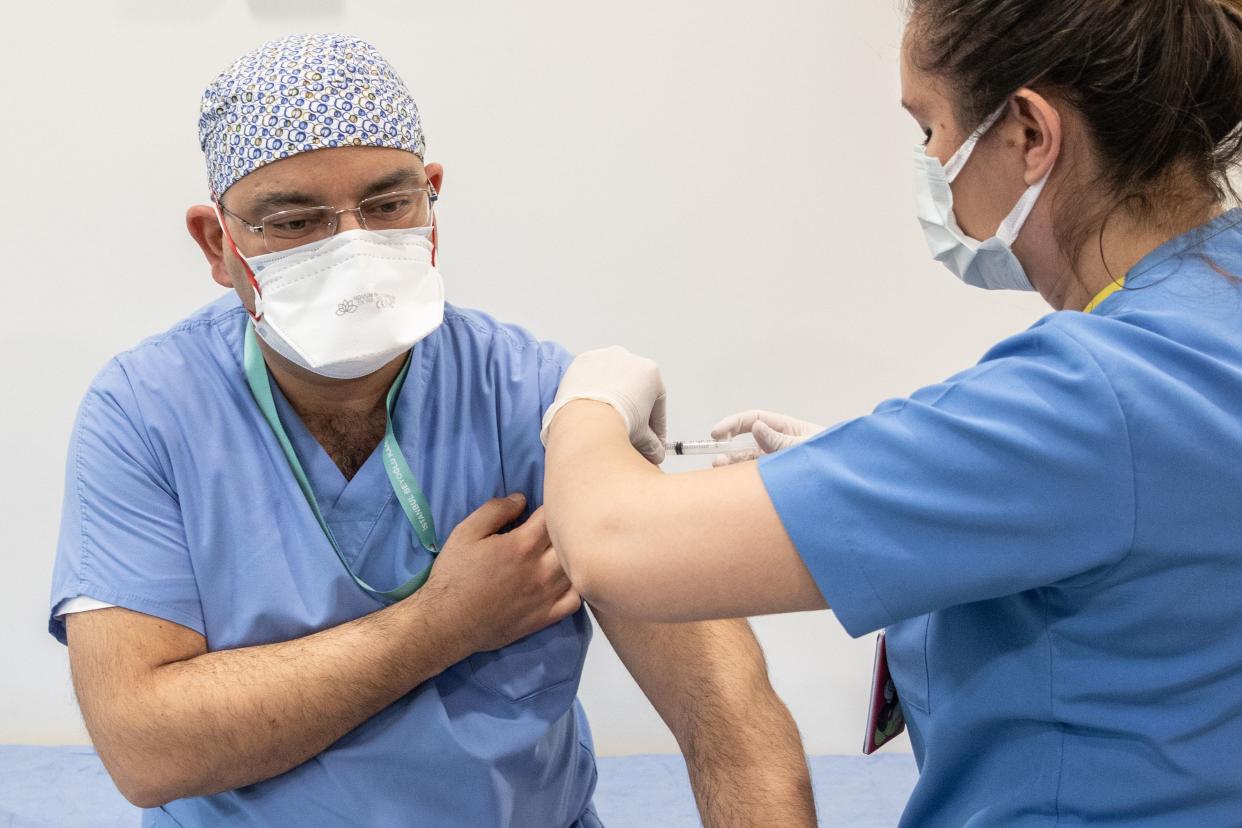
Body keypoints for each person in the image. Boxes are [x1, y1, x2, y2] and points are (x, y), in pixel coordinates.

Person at [48, 34, 815, 827]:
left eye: (387, 206)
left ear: (432, 200)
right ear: (220, 244)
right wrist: (444, 625)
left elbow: (727, 711)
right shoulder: (146, 414)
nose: (353, 248)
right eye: (295, 220)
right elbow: (144, 747)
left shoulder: (538, 401)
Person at [541, 1, 1242, 824]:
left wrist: (588, 396)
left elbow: (615, 547)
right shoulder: (1209, 310)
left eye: (932, 129)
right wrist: (874, 483)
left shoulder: (1090, 396)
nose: (932, 162)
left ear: (1028, 133)